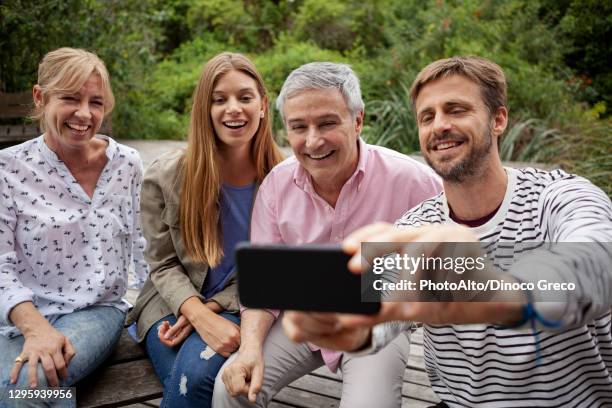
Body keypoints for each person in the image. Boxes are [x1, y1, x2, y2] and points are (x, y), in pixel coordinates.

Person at [282, 56, 612, 407]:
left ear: (498, 119)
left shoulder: (560, 196)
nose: (439, 125)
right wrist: (348, 327)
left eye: (456, 110)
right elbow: (379, 309)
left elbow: (596, 263)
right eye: (427, 116)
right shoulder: (415, 226)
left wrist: (501, 294)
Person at [213, 62, 441, 408]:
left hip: (375, 323)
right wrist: (249, 349)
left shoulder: (416, 182)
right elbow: (262, 287)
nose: (313, 140)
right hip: (301, 317)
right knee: (230, 389)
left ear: (358, 121)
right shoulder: (277, 185)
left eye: (327, 122)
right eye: (298, 127)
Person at [126, 52, 283, 408]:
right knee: (194, 383)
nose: (233, 109)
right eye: (219, 99)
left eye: (245, 97)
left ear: (262, 105)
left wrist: (214, 309)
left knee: (202, 383)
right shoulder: (166, 176)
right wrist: (196, 313)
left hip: (240, 303)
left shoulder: (284, 178)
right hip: (170, 303)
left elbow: (276, 268)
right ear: (204, 109)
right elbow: (162, 265)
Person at [0, 47, 148, 397]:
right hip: (17, 316)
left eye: (95, 102)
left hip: (95, 311)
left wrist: (158, 317)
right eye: (70, 98)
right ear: (40, 96)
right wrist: (35, 328)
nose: (84, 114)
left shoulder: (126, 164)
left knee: (30, 385)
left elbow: (144, 247)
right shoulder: (7, 169)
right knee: (20, 390)